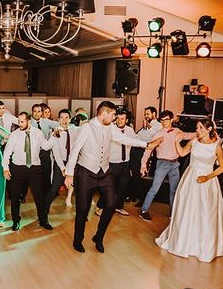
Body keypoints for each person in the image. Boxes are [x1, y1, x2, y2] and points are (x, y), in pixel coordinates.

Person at [64, 101, 158, 253]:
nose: (115, 118)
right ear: (105, 113)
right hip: (86, 172)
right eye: (113, 114)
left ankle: (99, 237)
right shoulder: (87, 128)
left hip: (104, 171)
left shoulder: (111, 128)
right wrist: (69, 173)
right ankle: (77, 239)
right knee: (83, 208)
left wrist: (146, 144)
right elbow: (75, 150)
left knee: (111, 204)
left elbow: (125, 139)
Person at [155, 118, 223, 262]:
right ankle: (184, 241)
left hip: (207, 181)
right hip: (190, 178)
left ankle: (203, 245)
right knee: (187, 208)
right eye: (197, 128)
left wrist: (207, 177)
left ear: (209, 129)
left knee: (205, 212)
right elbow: (182, 153)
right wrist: (177, 142)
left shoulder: (216, 146)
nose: (198, 131)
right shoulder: (194, 142)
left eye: (201, 128)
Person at [2, 112, 56, 231]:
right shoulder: (14, 135)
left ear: (29, 121)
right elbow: (7, 153)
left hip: (34, 169)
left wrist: (54, 136)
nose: (19, 124)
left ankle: (43, 220)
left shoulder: (38, 133)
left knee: (39, 196)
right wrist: (6, 168)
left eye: (22, 122)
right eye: (19, 122)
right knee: (15, 196)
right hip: (18, 169)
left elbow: (46, 146)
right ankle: (16, 221)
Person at [139, 110, 194, 221]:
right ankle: (144, 211)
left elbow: (187, 136)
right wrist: (143, 165)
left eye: (166, 120)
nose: (164, 122)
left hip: (175, 164)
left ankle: (172, 213)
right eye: (162, 120)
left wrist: (200, 133)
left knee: (174, 190)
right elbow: (148, 150)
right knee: (154, 189)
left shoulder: (177, 131)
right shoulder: (158, 134)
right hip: (162, 164)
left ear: (172, 120)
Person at [96, 108, 136, 217]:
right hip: (112, 164)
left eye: (122, 119)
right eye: (118, 118)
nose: (119, 121)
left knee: (122, 188)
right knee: (109, 188)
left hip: (125, 164)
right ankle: (100, 206)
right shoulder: (110, 129)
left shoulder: (130, 131)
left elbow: (134, 143)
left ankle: (119, 207)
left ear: (126, 120)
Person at [44, 109, 75, 211]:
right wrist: (62, 168)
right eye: (61, 118)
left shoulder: (74, 130)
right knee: (54, 189)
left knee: (79, 188)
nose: (64, 120)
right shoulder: (56, 132)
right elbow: (55, 153)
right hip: (60, 163)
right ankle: (43, 211)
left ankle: (81, 214)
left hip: (72, 163)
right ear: (58, 119)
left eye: (66, 117)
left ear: (70, 119)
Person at [131, 106, 161, 205]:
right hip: (135, 150)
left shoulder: (158, 125)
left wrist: (148, 125)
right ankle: (134, 195)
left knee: (140, 175)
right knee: (134, 174)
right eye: (145, 114)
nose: (146, 116)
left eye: (147, 114)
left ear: (154, 114)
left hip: (143, 152)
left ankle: (142, 198)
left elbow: (155, 134)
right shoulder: (145, 125)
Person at [31, 103, 59, 192]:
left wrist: (72, 125)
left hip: (45, 152)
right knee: (34, 175)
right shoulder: (29, 122)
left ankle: (47, 192)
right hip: (33, 152)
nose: (36, 113)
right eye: (34, 111)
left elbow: (58, 124)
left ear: (41, 113)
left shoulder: (46, 121)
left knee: (47, 173)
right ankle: (37, 192)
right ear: (32, 112)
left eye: (39, 111)